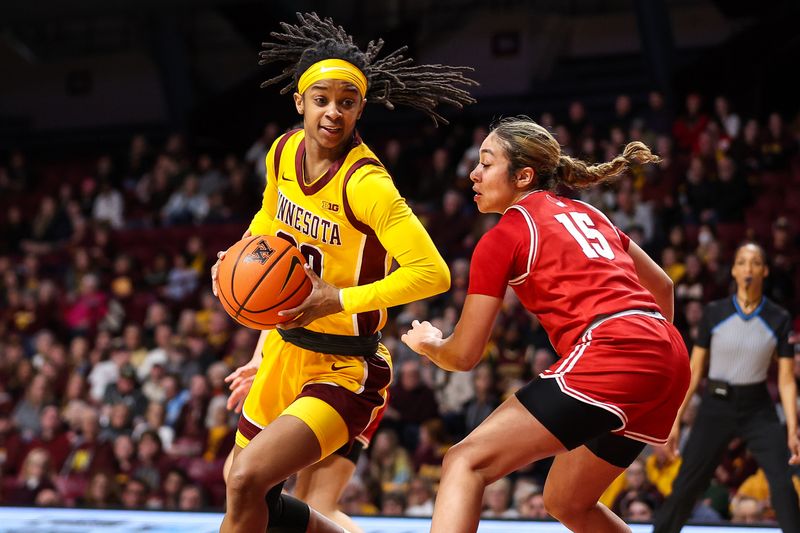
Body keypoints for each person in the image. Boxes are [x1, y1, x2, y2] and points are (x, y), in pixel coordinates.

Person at [210, 12, 475, 533]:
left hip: (346, 368)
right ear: (299, 103)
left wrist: (340, 299)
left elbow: (433, 273)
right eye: (322, 99)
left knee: (248, 481)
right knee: (241, 487)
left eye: (347, 103)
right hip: (286, 350)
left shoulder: (367, 184)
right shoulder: (283, 151)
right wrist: (239, 253)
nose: (333, 112)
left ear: (359, 110)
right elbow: (270, 219)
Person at [401, 116, 690, 533]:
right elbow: (662, 286)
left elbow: (463, 356)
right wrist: (654, 366)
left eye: (486, 163)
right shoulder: (589, 213)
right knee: (567, 501)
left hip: (613, 348)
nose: (474, 173)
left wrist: (430, 343)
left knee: (464, 460)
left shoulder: (505, 235)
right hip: (667, 352)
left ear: (523, 175)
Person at [653, 242, 800, 532]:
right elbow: (694, 371)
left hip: (758, 406)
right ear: (733, 270)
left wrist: (793, 429)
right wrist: (675, 420)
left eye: (755, 262)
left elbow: (785, 378)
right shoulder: (714, 313)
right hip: (715, 404)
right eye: (742, 261)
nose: (749, 268)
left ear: (765, 271)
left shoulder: (778, 318)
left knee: (782, 483)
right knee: (686, 484)